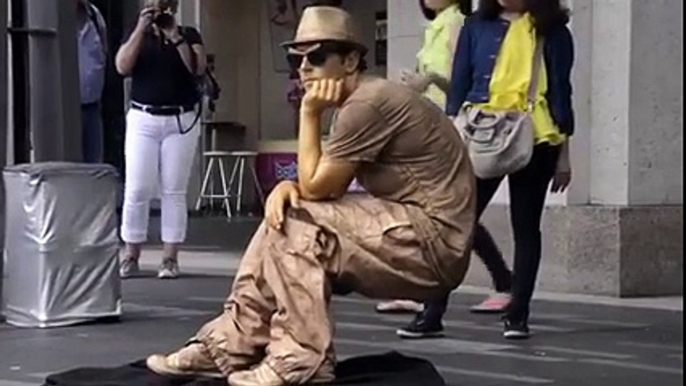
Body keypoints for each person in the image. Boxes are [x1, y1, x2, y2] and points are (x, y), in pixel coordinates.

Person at [145, 6, 476, 385]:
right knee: (282, 217)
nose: (304, 67)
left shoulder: (367, 103)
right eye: (296, 57)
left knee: (299, 221)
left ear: (351, 60)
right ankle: (228, 345)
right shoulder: (362, 101)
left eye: (317, 56)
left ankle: (300, 360)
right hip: (412, 227)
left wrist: (309, 113)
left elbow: (318, 187)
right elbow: (317, 184)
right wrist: (291, 187)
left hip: (432, 243)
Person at [398, 0, 575, 340]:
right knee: (456, 223)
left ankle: (518, 315)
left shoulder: (553, 31)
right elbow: (460, 86)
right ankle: (432, 313)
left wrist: (564, 158)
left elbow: (561, 95)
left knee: (526, 227)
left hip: (537, 136)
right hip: (481, 132)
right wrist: (452, 144)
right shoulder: (475, 26)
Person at [376, 0, 471, 315]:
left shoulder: (457, 23)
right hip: (426, 124)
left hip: (447, 126)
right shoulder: (435, 26)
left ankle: (425, 292)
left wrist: (429, 80)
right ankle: (418, 290)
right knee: (439, 206)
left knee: (440, 206)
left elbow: (462, 78)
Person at [115, 0, 207, 279]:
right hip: (144, 117)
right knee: (137, 188)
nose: (158, 9)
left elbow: (198, 68)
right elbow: (122, 66)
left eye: (164, 4)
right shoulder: (137, 32)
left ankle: (170, 257)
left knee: (173, 189)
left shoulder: (189, 34)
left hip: (180, 120)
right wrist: (141, 29)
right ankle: (131, 253)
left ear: (174, 6)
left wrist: (175, 36)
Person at [77, 0, 108, 163]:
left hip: (93, 106)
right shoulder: (58, 21)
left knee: (94, 164)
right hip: (66, 110)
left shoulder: (95, 16)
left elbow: (104, 50)